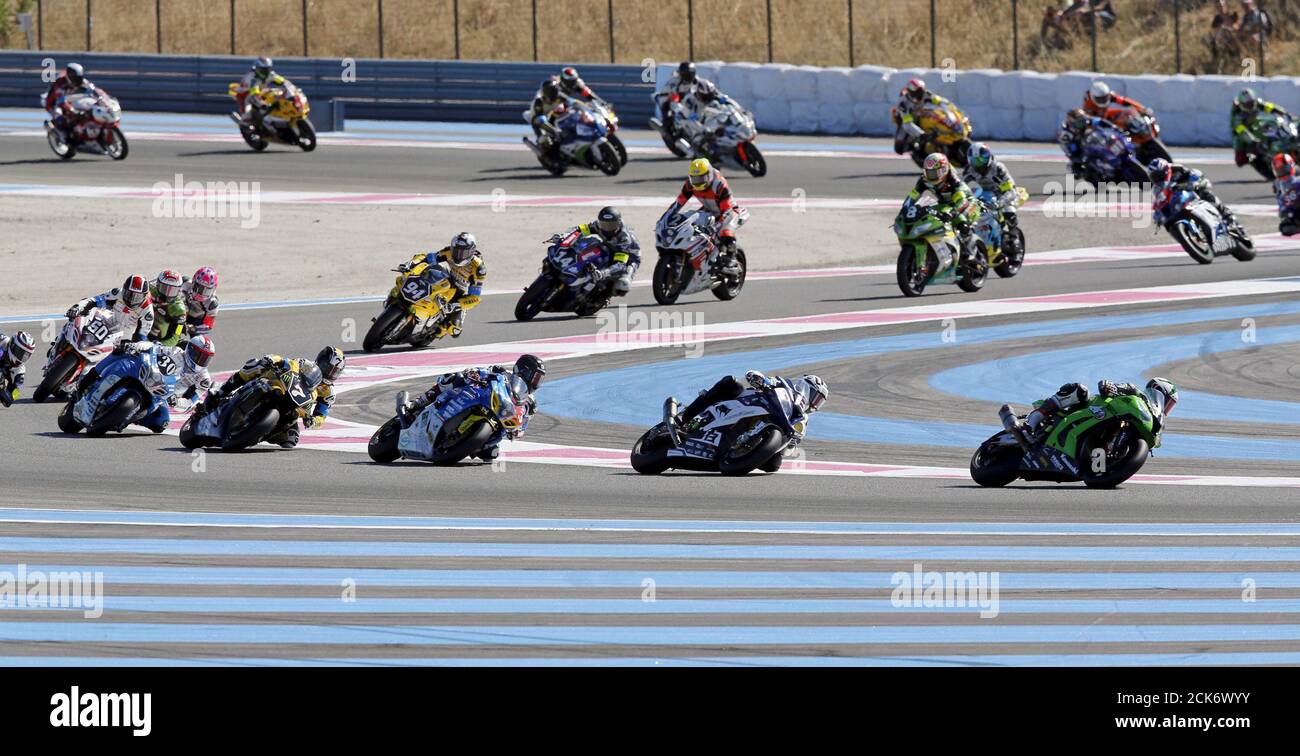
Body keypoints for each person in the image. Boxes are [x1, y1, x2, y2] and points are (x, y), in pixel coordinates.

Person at [396, 354, 547, 461]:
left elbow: (524, 422)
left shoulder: (530, 402)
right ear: (524, 369)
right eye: (536, 377)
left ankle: (462, 443)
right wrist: (473, 374)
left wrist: (517, 431)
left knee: (491, 455)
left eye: (539, 380)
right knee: (453, 379)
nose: (536, 383)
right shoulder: (502, 372)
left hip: (497, 422)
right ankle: (417, 403)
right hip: (478, 398)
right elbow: (482, 371)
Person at [203, 347, 342, 448]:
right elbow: (288, 363)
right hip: (279, 386)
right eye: (327, 367)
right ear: (320, 360)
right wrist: (273, 360)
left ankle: (258, 434)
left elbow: (321, 415)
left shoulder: (328, 393)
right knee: (255, 365)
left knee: (291, 440)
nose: (328, 372)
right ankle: (221, 391)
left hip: (293, 406)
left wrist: (313, 421)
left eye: (334, 372)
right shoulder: (306, 365)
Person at [667, 370, 829, 444]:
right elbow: (760, 377)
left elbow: (790, 447)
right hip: (748, 403)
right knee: (731, 383)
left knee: (773, 465)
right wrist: (760, 379)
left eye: (818, 403)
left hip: (768, 429)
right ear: (807, 388)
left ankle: (738, 451)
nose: (815, 404)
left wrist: (790, 444)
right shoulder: (785, 385)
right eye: (816, 399)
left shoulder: (802, 419)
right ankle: (685, 417)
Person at [99, 335, 215, 432]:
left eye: (205, 358)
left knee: (161, 422)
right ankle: (97, 377)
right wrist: (136, 346)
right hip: (151, 377)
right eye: (198, 355)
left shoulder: (203, 380)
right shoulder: (176, 352)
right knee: (123, 358)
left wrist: (176, 402)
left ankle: (128, 418)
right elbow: (154, 347)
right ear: (190, 349)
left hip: (164, 396)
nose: (201, 360)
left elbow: (190, 403)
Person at [1001, 378, 1179, 441]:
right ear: (1158, 390)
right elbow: (1106, 385)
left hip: (1099, 424)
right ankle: (1029, 426)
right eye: (1169, 402)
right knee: (1079, 389)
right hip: (1091, 407)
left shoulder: (1153, 422)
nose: (1168, 408)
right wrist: (1111, 387)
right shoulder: (1136, 392)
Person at [395, 232, 486, 338]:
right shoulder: (449, 252)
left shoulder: (479, 269)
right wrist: (411, 264)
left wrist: (455, 305)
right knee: (418, 276)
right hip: (447, 281)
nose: (457, 255)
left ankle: (431, 331)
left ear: (471, 252)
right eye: (456, 250)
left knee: (454, 330)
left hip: (460, 295)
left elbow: (475, 297)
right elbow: (429, 257)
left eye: (462, 253)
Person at [901, 153, 982, 270]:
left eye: (933, 173)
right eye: (928, 172)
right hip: (945, 204)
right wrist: (905, 209)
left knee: (961, 222)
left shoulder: (953, 180)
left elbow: (962, 201)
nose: (930, 176)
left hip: (967, 203)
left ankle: (969, 252)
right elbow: (913, 196)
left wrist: (952, 213)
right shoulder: (924, 180)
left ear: (943, 171)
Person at [660, 158, 745, 268]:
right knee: (688, 225)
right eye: (694, 178)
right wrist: (666, 217)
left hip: (728, 211)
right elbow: (679, 202)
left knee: (725, 231)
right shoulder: (690, 184)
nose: (697, 182)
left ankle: (731, 258)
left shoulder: (719, 184)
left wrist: (715, 227)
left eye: (701, 178)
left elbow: (725, 209)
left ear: (709, 175)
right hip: (708, 210)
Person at [561, 207, 640, 297]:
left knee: (623, 284)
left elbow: (620, 264)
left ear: (618, 224)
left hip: (629, 255)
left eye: (611, 225)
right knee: (591, 242)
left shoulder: (624, 239)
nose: (607, 228)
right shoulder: (598, 225)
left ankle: (606, 294)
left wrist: (603, 273)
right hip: (608, 247)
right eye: (604, 224)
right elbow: (580, 229)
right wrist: (565, 236)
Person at [1147, 158, 1237, 227]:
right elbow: (1159, 201)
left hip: (1191, 190)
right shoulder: (1157, 188)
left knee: (1204, 192)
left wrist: (1192, 183)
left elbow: (1196, 173)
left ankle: (1225, 213)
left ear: (1166, 171)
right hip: (1179, 200)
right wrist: (1158, 214)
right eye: (1154, 177)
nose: (1158, 178)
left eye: (1159, 175)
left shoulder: (1177, 169)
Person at [67, 275, 156, 343]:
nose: (131, 300)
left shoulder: (147, 312)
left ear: (144, 296)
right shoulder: (118, 293)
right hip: (103, 328)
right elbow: (94, 300)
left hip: (123, 342)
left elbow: (142, 336)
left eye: (137, 297)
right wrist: (77, 307)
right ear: (124, 289)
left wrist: (133, 346)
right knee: (79, 322)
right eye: (129, 294)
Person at [891, 78, 960, 156]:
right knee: (899, 149)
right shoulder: (903, 103)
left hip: (919, 114)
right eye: (916, 93)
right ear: (910, 93)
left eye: (921, 92)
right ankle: (917, 151)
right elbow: (907, 124)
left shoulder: (926, 94)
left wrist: (950, 112)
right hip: (904, 120)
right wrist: (921, 134)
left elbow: (941, 102)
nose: (919, 95)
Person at [654, 61, 722, 135]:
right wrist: (670, 100)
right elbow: (664, 95)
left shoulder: (699, 81)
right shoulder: (674, 82)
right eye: (686, 73)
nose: (688, 75)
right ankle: (667, 130)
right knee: (667, 109)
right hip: (678, 103)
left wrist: (719, 97)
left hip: (695, 103)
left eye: (690, 73)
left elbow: (712, 90)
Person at [1231, 88, 1293, 168]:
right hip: (1240, 131)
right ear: (1241, 104)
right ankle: (1252, 158)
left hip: (1254, 123)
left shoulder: (1257, 103)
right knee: (1240, 160)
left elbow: (1270, 107)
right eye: (1247, 105)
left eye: (1251, 103)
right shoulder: (1237, 114)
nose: (1250, 107)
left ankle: (1275, 145)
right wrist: (1252, 140)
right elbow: (1241, 130)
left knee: (1270, 124)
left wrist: (1282, 112)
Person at [230, 56, 295, 127]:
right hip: (244, 94)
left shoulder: (271, 74)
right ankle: (243, 121)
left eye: (267, 69)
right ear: (257, 69)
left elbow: (285, 82)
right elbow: (254, 94)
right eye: (263, 70)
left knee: (274, 92)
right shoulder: (252, 79)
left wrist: (291, 93)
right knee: (247, 116)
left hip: (260, 90)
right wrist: (263, 104)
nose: (266, 72)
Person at [42, 62, 94, 139]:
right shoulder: (60, 84)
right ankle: (58, 133)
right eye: (75, 78)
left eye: (79, 77)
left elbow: (92, 88)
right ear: (70, 76)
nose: (78, 80)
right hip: (52, 102)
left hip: (67, 97)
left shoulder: (79, 79)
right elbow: (61, 102)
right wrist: (73, 111)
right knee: (61, 117)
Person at [148, 270, 188, 347]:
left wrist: (160, 346)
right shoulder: (150, 289)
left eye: (172, 291)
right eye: (164, 288)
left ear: (178, 290)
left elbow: (176, 336)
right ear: (158, 285)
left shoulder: (179, 310)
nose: (167, 294)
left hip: (159, 341)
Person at [0, 330, 36, 407]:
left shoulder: (20, 370)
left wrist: (4, 393)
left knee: (8, 401)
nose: (22, 357)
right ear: (13, 345)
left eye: (26, 355)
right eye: (20, 353)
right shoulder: (3, 340)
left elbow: (17, 391)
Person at [182, 267, 220, 337]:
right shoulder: (184, 282)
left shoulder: (212, 304)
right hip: (182, 313)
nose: (201, 294)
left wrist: (192, 328)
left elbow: (208, 326)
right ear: (193, 282)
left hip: (197, 322)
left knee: (198, 341)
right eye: (199, 288)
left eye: (207, 291)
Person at [1271, 153, 1300, 235]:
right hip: (1293, 210)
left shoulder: (1297, 175)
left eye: (1283, 169)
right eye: (1278, 170)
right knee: (1284, 227)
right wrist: (1283, 210)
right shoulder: (1277, 183)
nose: (1281, 172)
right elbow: (1280, 200)